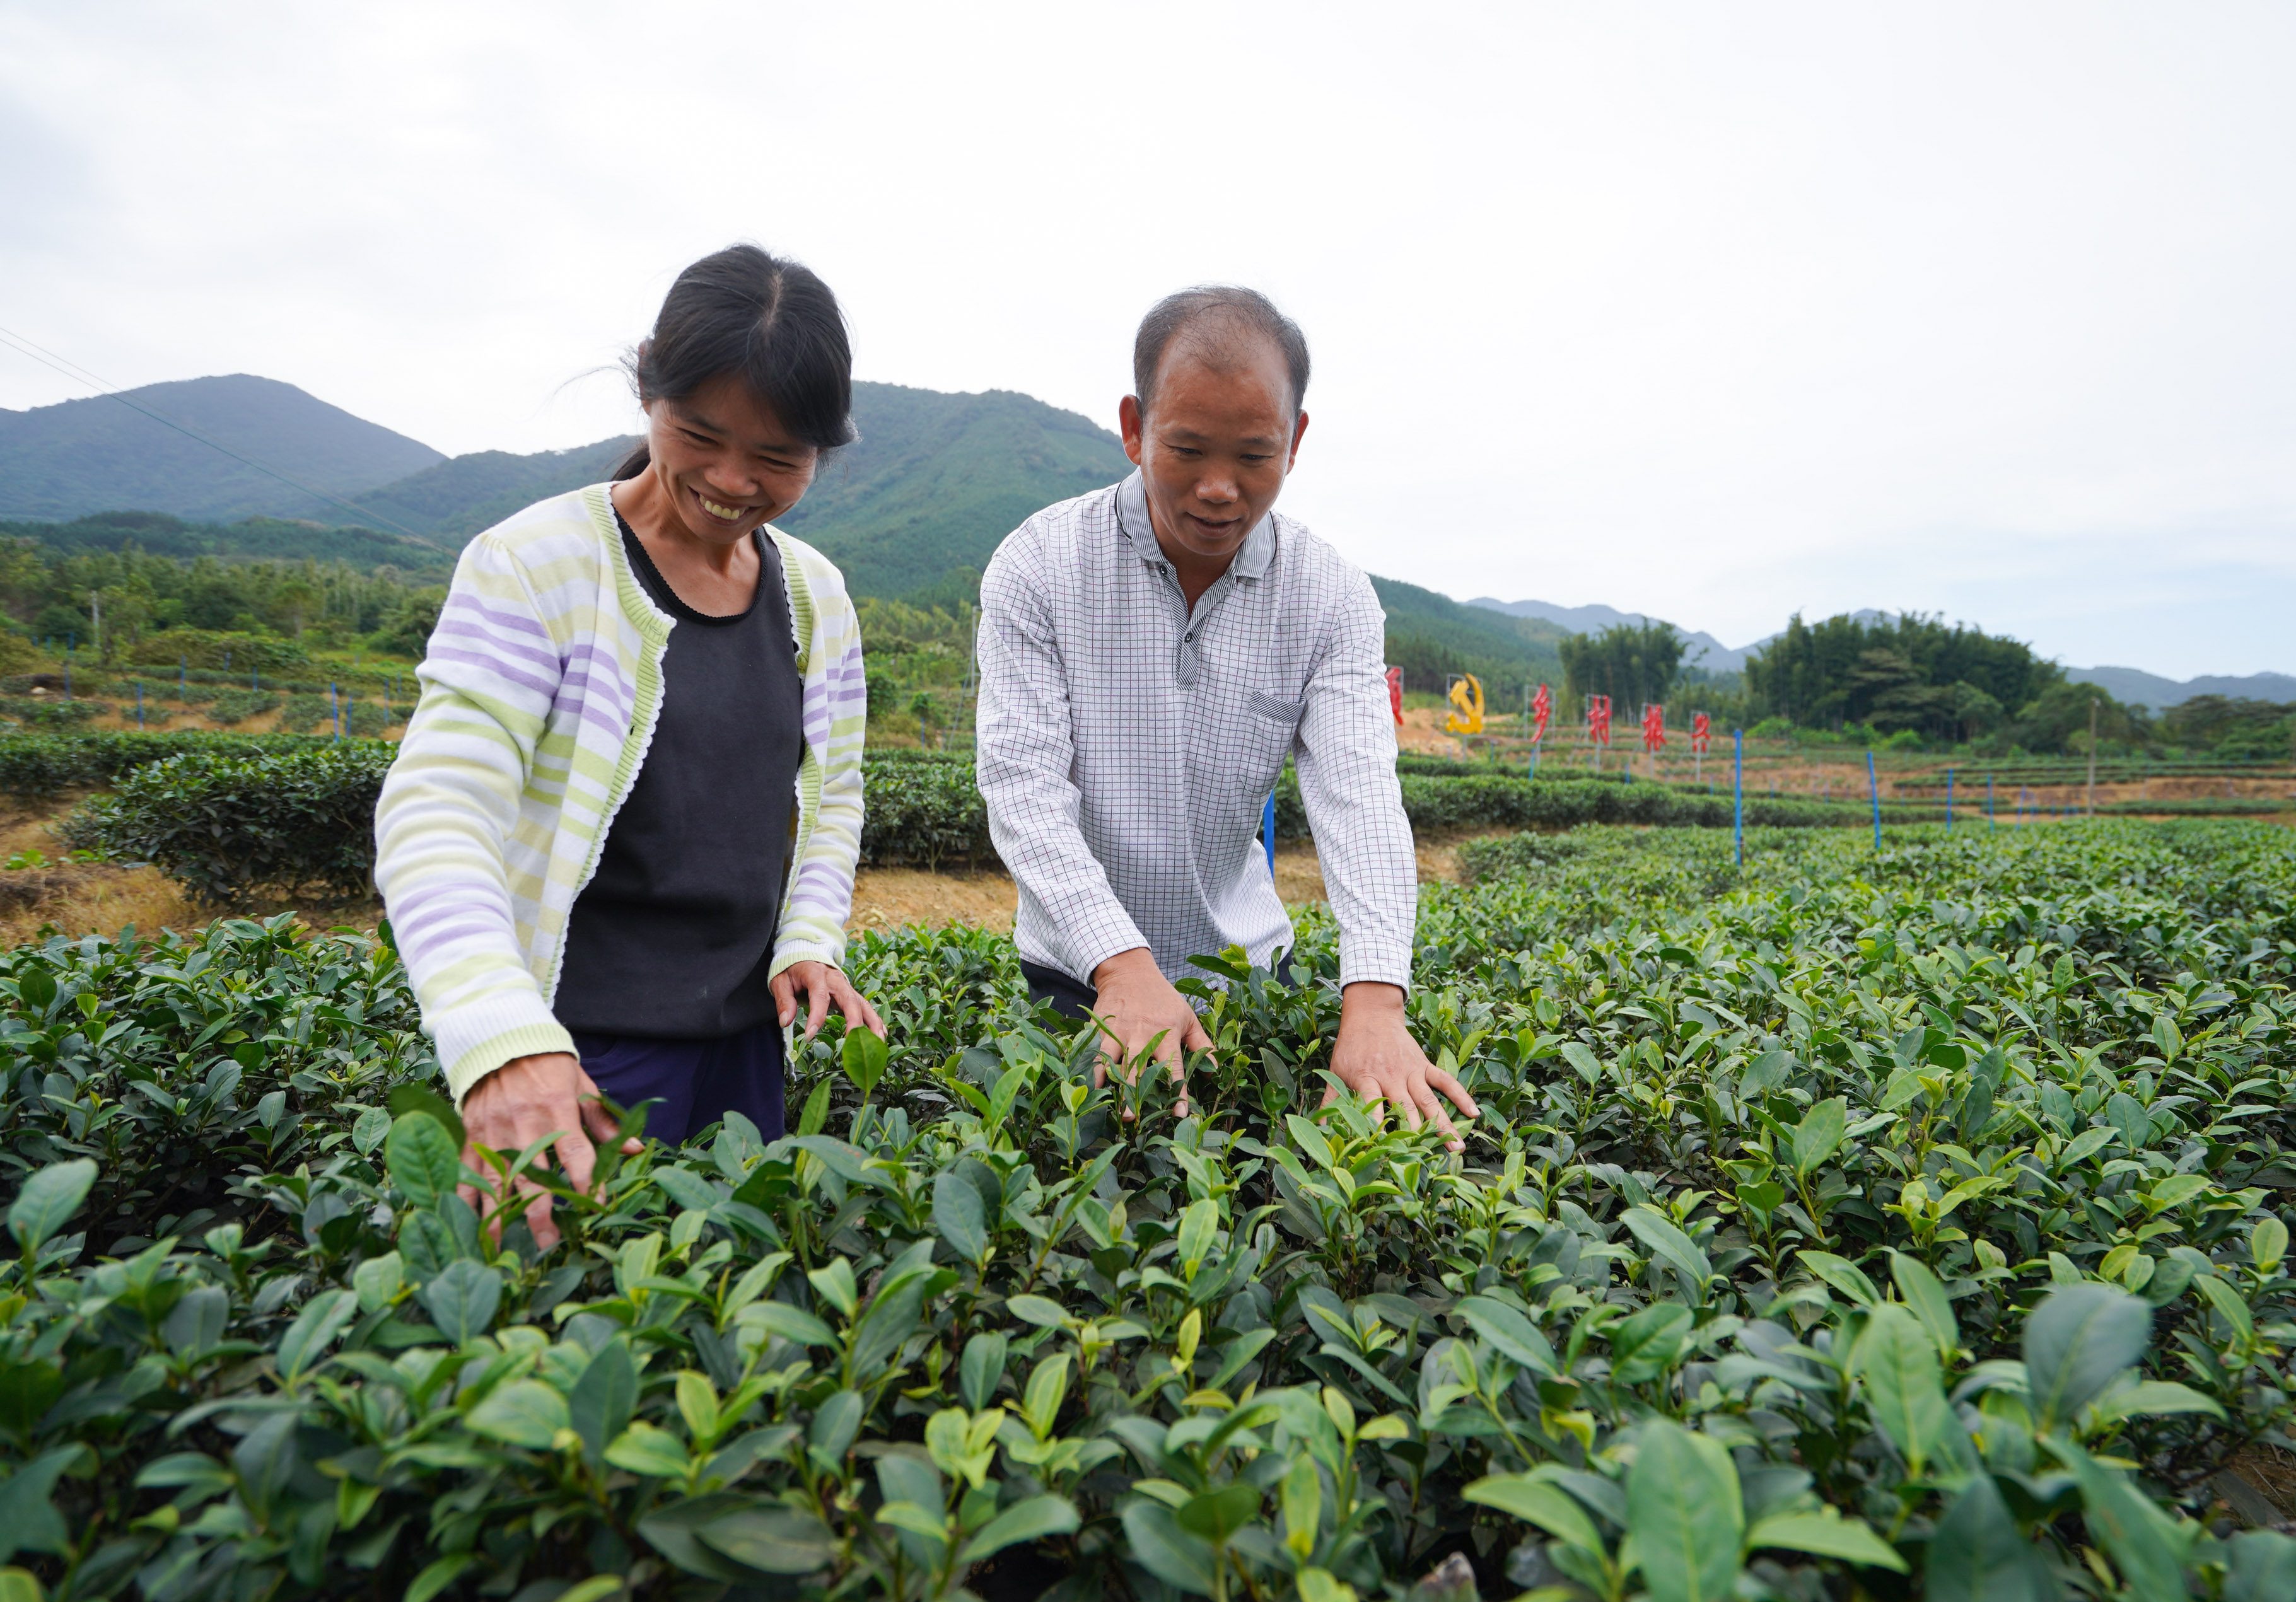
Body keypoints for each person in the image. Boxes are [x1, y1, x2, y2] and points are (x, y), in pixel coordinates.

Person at [375, 244, 885, 1249]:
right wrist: (499, 1039)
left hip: (746, 1048)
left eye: (778, 458)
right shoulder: (536, 565)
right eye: (701, 435)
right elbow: (437, 807)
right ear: (648, 385)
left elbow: (833, 798)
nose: (733, 481)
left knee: (724, 1302)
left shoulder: (815, 595)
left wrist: (809, 939)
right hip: (578, 1057)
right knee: (569, 1312)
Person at [976, 286, 1476, 1148]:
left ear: (1296, 440)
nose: (1218, 489)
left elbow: (1361, 797)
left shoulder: (1328, 596)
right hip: (1080, 974)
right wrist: (1120, 964)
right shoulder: (1041, 566)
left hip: (1246, 973)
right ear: (1134, 428)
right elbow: (1022, 787)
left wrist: (1375, 1000)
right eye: (1186, 449)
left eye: (1254, 455)